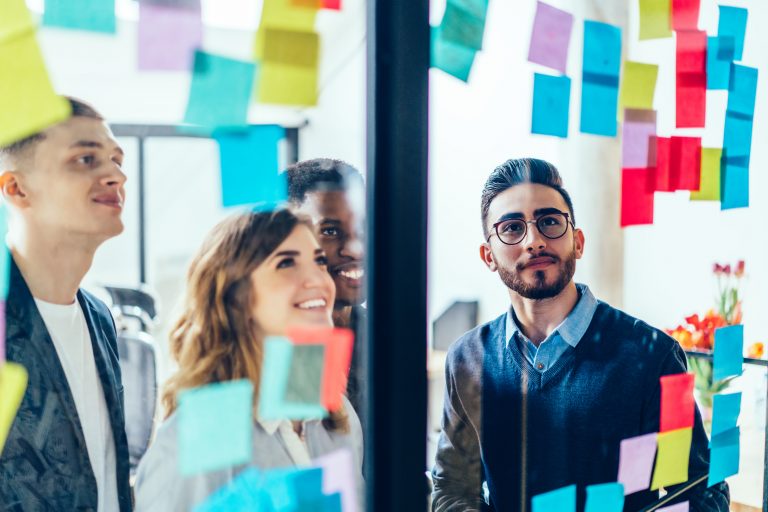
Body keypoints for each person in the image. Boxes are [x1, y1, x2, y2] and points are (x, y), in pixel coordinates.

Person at [431, 158, 729, 511]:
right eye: (512, 228)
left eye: (550, 222)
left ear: (578, 241)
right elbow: (451, 488)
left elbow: (701, 489)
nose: (535, 241)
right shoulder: (468, 359)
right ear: (488, 256)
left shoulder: (652, 357)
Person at [133, 209, 363, 511]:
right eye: (287, 263)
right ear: (236, 296)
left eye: (319, 261)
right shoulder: (201, 437)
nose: (317, 279)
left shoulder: (335, 417)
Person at [0, 97, 132, 511]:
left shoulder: (99, 318)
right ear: (16, 189)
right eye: (85, 159)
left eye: (115, 158)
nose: (116, 174)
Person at [286, 159, 367, 423]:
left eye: (362, 229)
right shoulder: (270, 344)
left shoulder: (385, 337)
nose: (355, 249)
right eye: (330, 231)